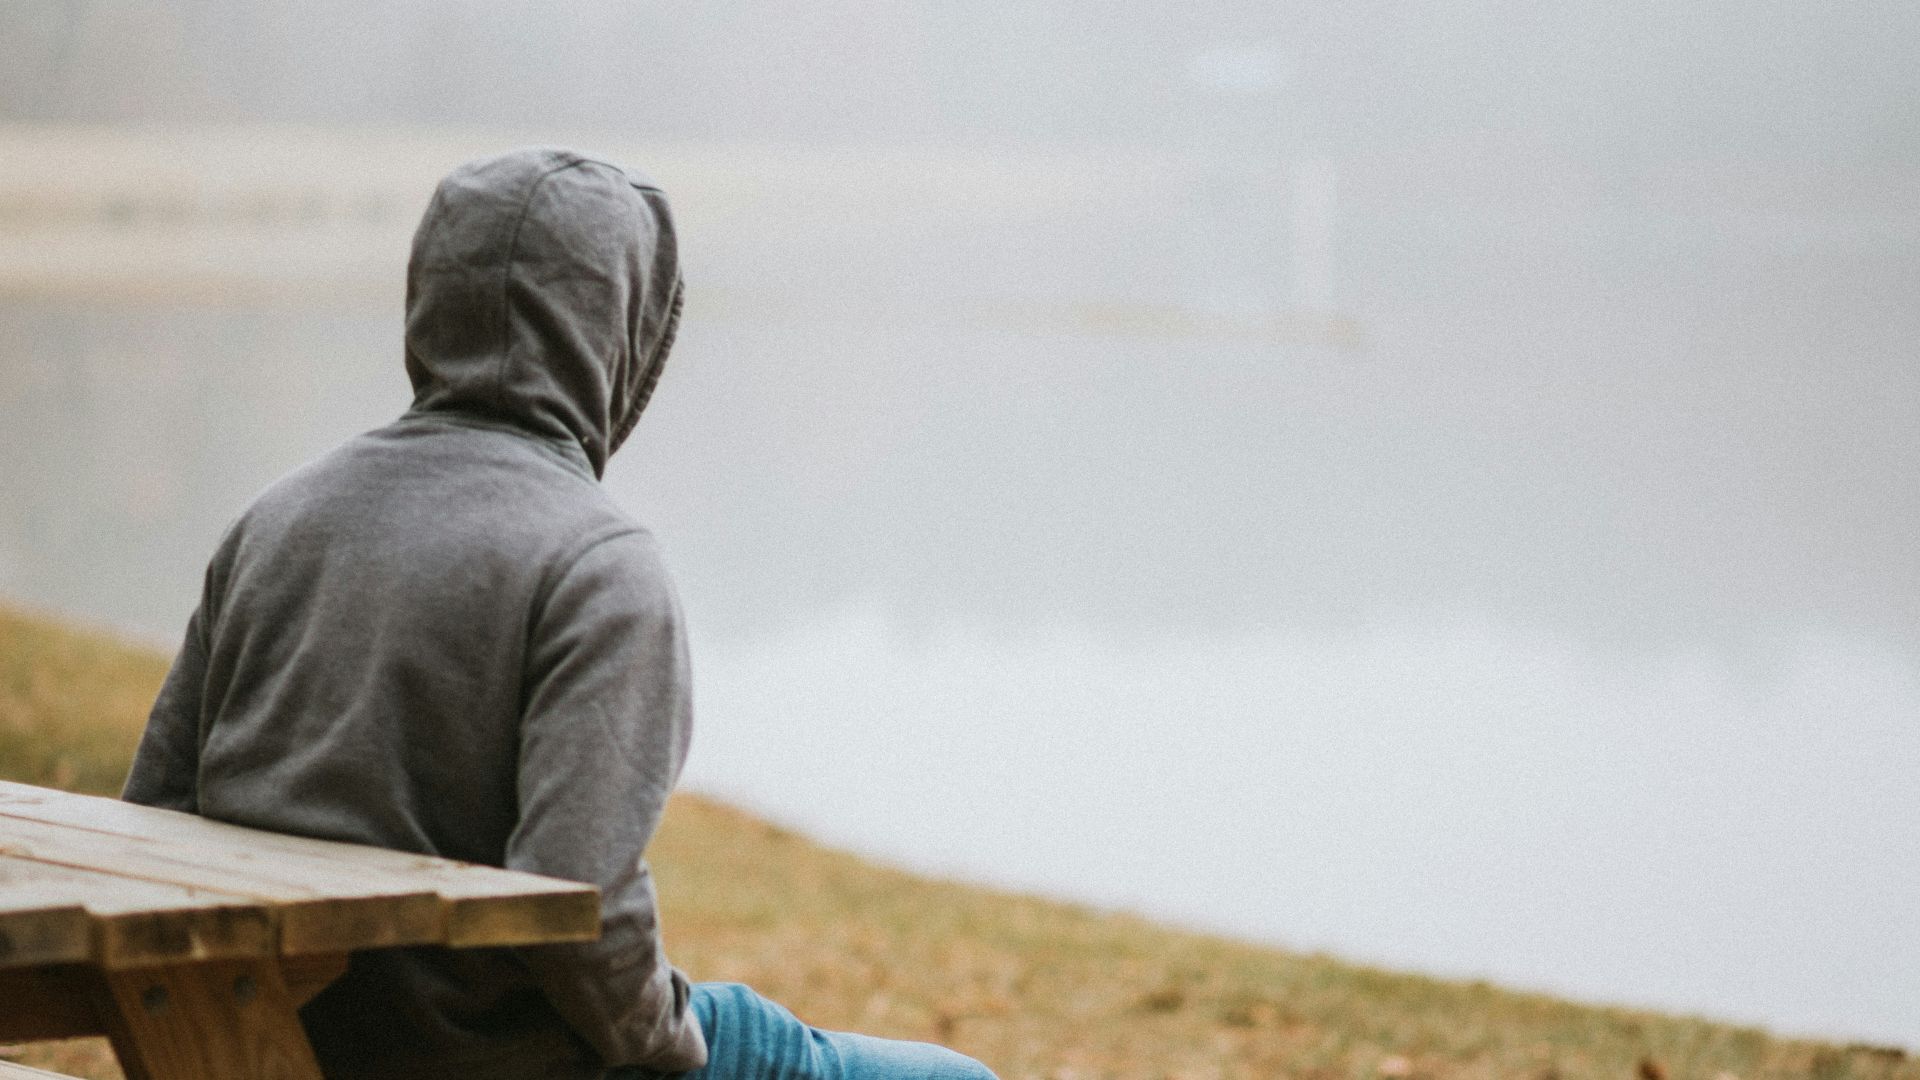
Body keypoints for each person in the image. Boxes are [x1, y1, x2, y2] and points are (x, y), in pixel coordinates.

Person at [122, 147, 997, 1080]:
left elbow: (153, 815)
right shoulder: (599, 567)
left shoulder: (278, 517)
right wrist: (672, 1047)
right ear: (619, 331)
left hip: (272, 1038)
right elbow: (577, 907)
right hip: (504, 1054)